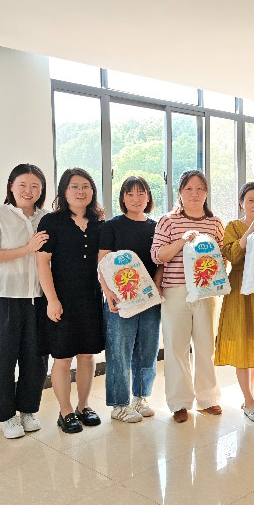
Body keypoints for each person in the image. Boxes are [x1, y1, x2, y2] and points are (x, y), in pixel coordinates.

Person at [0, 164, 49, 439]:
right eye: (22, 185)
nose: (29, 191)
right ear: (11, 187)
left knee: (36, 357)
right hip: (2, 296)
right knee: (1, 358)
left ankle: (28, 410)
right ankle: (6, 416)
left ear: (41, 190)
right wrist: (27, 249)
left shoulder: (47, 218)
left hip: (36, 296)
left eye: (35, 186)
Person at [152, 170, 225, 423]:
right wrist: (183, 241)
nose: (194, 194)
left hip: (206, 293)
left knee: (206, 346)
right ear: (180, 193)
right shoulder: (168, 221)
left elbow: (222, 257)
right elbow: (157, 255)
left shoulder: (215, 223)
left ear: (206, 193)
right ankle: (179, 403)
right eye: (188, 189)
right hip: (176, 291)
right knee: (176, 348)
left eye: (199, 189)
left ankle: (208, 398)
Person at [36, 168, 105, 434]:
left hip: (91, 297)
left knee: (87, 354)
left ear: (92, 191)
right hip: (61, 298)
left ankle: (83, 405)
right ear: (64, 191)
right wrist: (52, 300)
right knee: (63, 357)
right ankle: (65, 411)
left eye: (86, 186)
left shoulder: (99, 222)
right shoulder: (51, 222)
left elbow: (105, 262)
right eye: (74, 186)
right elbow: (42, 262)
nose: (80, 191)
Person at [98, 176, 161, 423]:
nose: (136, 199)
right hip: (121, 299)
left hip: (149, 300)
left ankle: (141, 397)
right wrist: (108, 293)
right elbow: (102, 263)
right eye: (130, 194)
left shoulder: (156, 227)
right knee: (119, 351)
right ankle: (119, 405)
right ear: (123, 198)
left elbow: (160, 263)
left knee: (147, 350)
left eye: (141, 193)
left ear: (148, 198)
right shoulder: (111, 226)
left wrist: (156, 288)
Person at [215, 182, 254, 423]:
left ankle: (251, 396)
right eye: (250, 200)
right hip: (240, 290)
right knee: (242, 344)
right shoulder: (233, 226)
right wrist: (249, 232)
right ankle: (248, 401)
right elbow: (232, 256)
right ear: (241, 203)